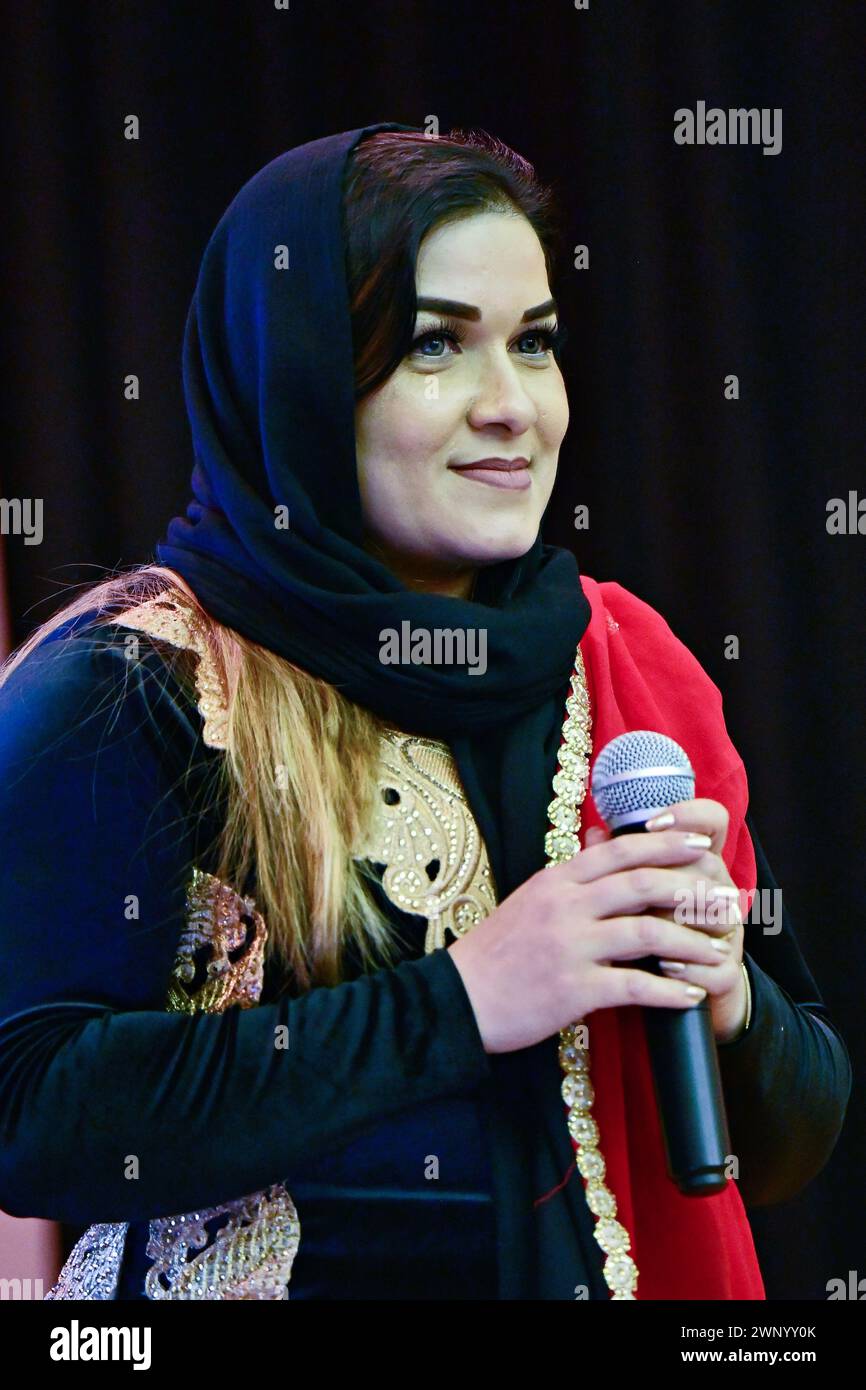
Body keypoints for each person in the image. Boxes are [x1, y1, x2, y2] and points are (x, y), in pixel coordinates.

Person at [0, 122, 851, 1301]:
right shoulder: (130, 682)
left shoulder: (630, 667)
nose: (513, 406)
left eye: (536, 343)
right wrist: (460, 1000)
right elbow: (30, 1110)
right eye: (436, 346)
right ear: (295, 369)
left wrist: (727, 1002)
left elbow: (788, 1143)